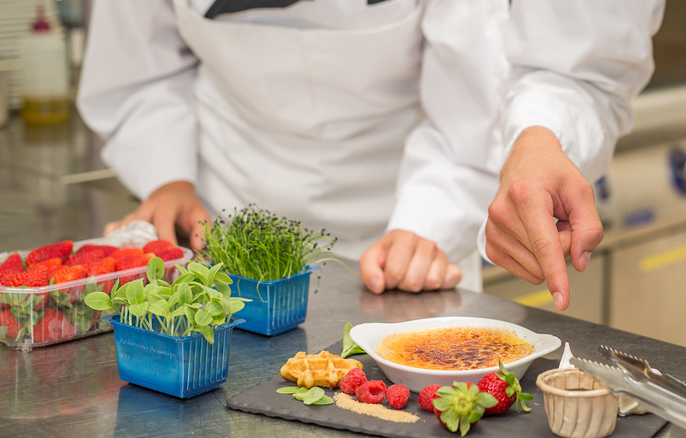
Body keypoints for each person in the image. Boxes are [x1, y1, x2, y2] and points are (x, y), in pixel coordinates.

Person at [77, 0, 664, 309]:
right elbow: (140, 68)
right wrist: (168, 174)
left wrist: (424, 226)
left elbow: (472, 99)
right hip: (220, 232)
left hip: (414, 243)